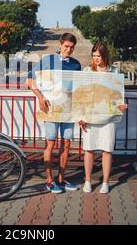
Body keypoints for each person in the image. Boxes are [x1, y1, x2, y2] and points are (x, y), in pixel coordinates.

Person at [27, 33, 81, 193]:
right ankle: (49, 180)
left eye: (71, 47)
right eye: (66, 46)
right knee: (50, 143)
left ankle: (61, 179)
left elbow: (79, 88)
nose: (68, 50)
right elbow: (30, 81)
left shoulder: (76, 65)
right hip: (51, 109)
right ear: (60, 44)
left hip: (68, 110)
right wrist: (40, 98)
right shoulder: (47, 60)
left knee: (66, 143)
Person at [78, 41, 128, 194]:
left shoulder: (114, 72)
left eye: (98, 56)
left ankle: (105, 182)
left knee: (107, 150)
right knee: (89, 149)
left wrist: (122, 105)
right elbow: (81, 94)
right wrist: (80, 116)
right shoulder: (87, 70)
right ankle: (87, 180)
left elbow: (119, 94)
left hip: (109, 117)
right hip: (90, 117)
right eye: (94, 56)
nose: (96, 59)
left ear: (105, 55)